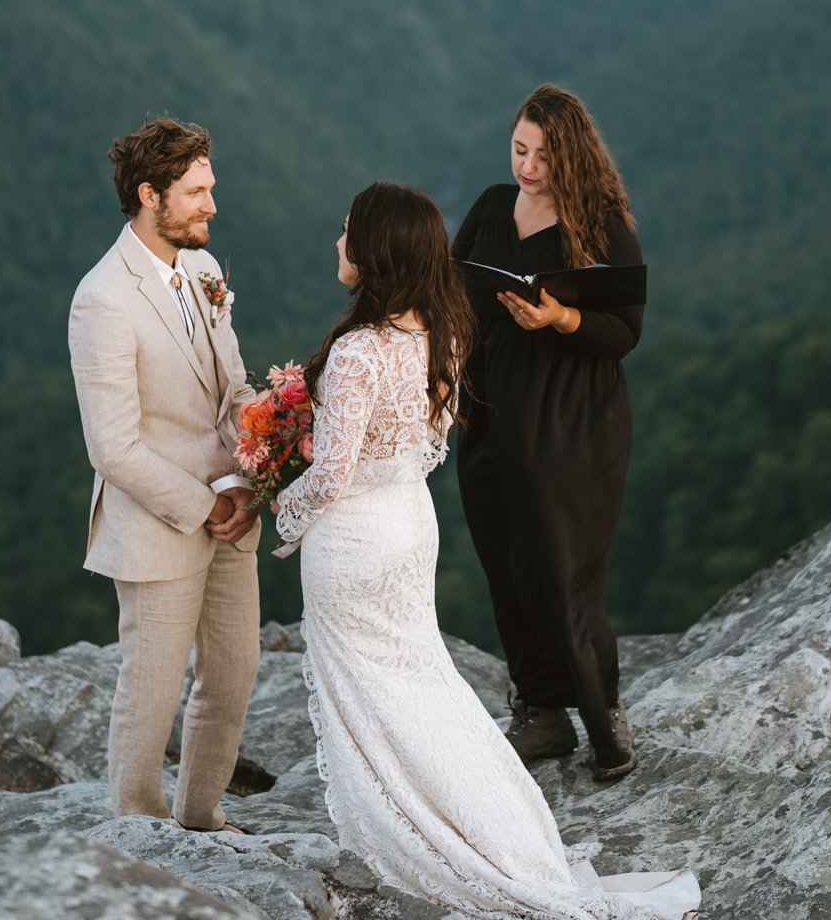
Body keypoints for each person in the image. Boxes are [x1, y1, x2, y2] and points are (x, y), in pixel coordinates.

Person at [272, 183, 697, 919]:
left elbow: (333, 474)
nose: (336, 241)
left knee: (376, 697)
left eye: (346, 232)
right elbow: (428, 445)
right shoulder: (442, 334)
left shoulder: (355, 352)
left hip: (358, 543)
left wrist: (279, 510)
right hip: (411, 523)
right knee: (425, 686)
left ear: (375, 251)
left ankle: (426, 836)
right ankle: (499, 830)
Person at [67, 116, 262, 832]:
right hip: (160, 523)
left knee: (235, 675)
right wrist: (202, 505)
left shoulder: (204, 272)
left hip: (233, 508)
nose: (212, 204)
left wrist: (259, 456)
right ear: (150, 195)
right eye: (197, 191)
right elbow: (111, 448)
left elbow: (232, 387)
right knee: (149, 690)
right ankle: (138, 834)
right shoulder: (102, 299)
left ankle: (203, 817)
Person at [452, 84, 644, 778]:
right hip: (490, 410)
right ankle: (541, 714)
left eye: (543, 155)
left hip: (572, 419)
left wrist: (560, 318)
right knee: (506, 564)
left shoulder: (603, 223)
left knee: (564, 570)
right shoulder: (489, 208)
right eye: (519, 150)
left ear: (573, 154)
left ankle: (604, 717)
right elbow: (452, 291)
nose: (528, 168)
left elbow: (626, 331)